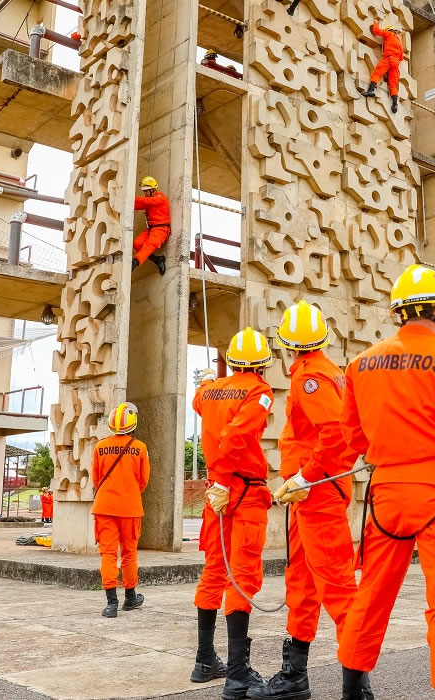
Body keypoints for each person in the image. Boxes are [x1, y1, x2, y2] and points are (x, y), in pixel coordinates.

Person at [337, 265, 435, 700]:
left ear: (399, 312)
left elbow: (354, 437)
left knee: (371, 594)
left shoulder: (361, 364)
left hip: (385, 493)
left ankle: (352, 690)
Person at [251, 301, 360, 700]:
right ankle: (294, 675)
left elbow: (334, 435)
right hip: (312, 494)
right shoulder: (330, 372)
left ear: (285, 346)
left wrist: (304, 475)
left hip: (317, 493)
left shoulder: (310, 378)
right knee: (302, 582)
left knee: (338, 588)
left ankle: (357, 688)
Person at [190, 328, 276, 698]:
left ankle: (204, 659)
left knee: (213, 570)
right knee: (242, 575)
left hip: (215, 494)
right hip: (242, 491)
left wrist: (209, 379)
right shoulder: (259, 391)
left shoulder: (209, 392)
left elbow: (199, 403)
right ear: (260, 366)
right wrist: (225, 481)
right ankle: (238, 674)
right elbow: (237, 436)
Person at [91, 403, 150, 617]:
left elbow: (96, 479)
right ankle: (131, 597)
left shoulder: (100, 447)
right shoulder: (140, 447)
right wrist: (130, 492)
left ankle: (111, 604)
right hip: (131, 508)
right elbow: (143, 481)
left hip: (104, 507)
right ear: (133, 423)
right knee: (129, 553)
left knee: (107, 554)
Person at [361, 23, 404, 113]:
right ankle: (395, 104)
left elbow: (376, 31)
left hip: (388, 58)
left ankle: (371, 90)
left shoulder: (389, 34)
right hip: (396, 63)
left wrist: (376, 22)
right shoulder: (399, 41)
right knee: (393, 84)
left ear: (389, 30)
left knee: (377, 74)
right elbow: (401, 57)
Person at [133, 177, 170, 275]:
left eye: (146, 191)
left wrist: (130, 199)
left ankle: (135, 263)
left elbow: (146, 202)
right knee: (137, 243)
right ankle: (157, 260)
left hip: (161, 229)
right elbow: (141, 204)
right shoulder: (150, 199)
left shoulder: (160, 197)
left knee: (148, 245)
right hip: (151, 228)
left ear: (152, 189)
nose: (145, 193)